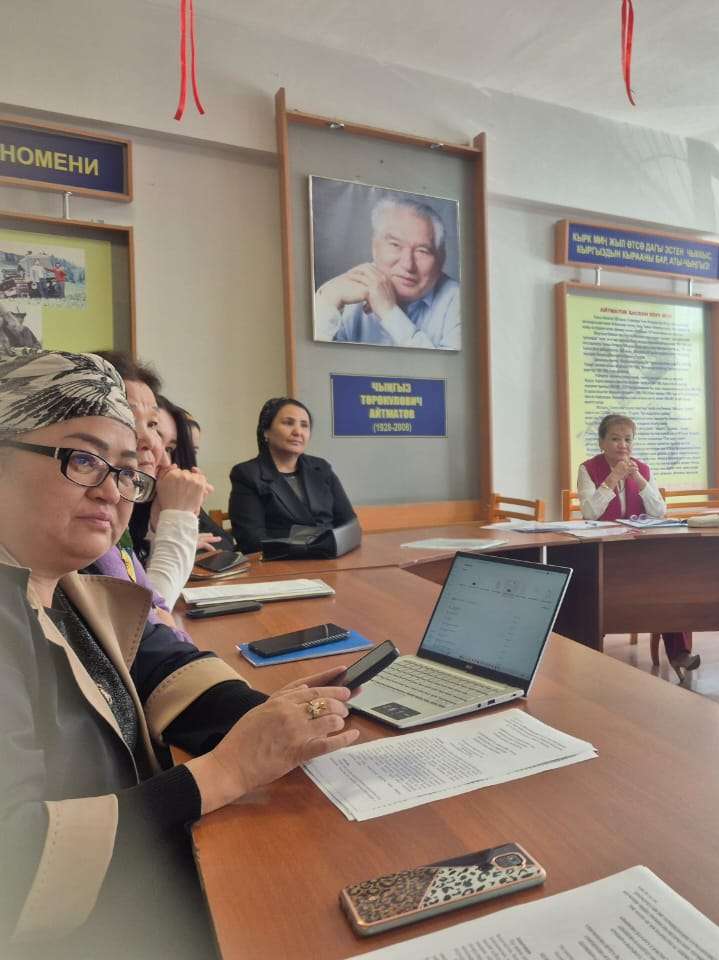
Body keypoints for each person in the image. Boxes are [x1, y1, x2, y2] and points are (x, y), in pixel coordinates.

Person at [0, 349, 359, 958]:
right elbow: (16, 871)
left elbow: (161, 662)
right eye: (84, 459)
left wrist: (275, 713)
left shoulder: (62, 582)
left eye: (126, 472)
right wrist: (228, 771)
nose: (113, 491)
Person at [577, 414, 699, 677]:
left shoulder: (642, 468)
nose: (623, 445)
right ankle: (590, 654)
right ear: (601, 442)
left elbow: (659, 511)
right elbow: (589, 513)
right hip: (604, 551)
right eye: (615, 439)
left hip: (640, 551)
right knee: (591, 591)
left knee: (671, 583)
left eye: (628, 439)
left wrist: (639, 480)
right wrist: (612, 478)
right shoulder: (588, 469)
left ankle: (680, 653)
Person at [96, 351, 212, 607]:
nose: (150, 441)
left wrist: (159, 528)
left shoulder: (126, 502)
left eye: (152, 425)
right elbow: (145, 612)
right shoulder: (93, 506)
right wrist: (178, 517)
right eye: (127, 419)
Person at [314, 195, 461, 350]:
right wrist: (328, 300)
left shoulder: (458, 302)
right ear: (374, 247)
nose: (408, 265)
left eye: (422, 251)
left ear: (441, 259)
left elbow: (444, 366)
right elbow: (316, 361)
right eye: (395, 245)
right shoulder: (346, 292)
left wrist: (389, 312)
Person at [229, 397, 358, 554]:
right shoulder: (247, 474)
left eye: (304, 425)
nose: (298, 432)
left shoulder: (321, 468)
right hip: (281, 563)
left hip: (331, 557)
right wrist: (319, 541)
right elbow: (251, 540)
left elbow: (349, 524)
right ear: (266, 431)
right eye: (288, 423)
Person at [155, 396, 234, 554]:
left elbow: (225, 542)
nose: (166, 461)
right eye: (184, 451)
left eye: (169, 448)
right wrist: (181, 540)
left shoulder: (179, 487)